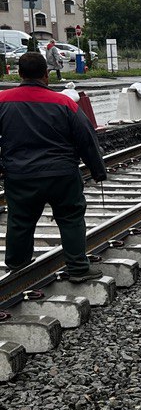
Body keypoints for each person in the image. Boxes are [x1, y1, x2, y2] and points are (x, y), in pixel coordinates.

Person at [0, 51, 108, 282]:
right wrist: (98, 171)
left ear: (19, 74)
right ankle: (78, 268)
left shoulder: (3, 101)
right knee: (70, 218)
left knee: (20, 220)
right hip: (62, 175)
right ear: (46, 75)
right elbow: (86, 139)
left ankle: (18, 268)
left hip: (20, 175)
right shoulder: (64, 102)